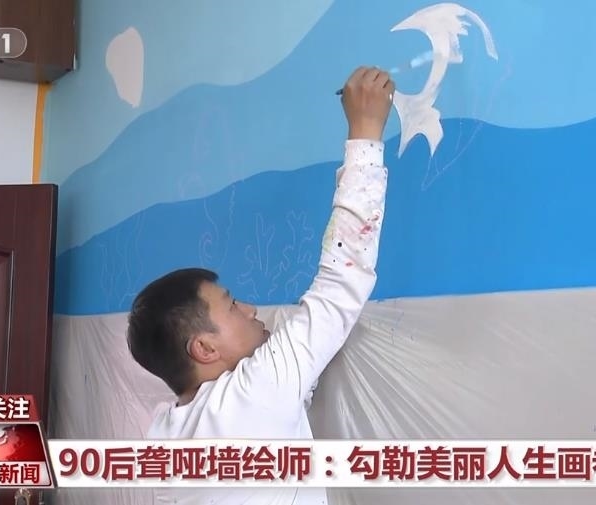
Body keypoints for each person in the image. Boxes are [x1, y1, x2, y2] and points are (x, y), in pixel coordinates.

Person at [126, 65, 395, 504]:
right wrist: (365, 133)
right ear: (204, 348)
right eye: (232, 306)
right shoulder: (253, 394)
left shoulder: (165, 432)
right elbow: (340, 282)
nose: (251, 309)